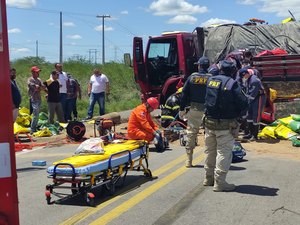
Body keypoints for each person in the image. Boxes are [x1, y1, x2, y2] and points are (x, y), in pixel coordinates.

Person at [203, 60, 248, 192]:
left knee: (210, 151)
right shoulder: (232, 83)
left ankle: (208, 178)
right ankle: (220, 183)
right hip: (225, 125)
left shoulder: (211, 80)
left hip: (209, 123)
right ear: (233, 71)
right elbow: (243, 103)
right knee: (223, 152)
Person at [179, 56, 211, 167]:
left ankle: (189, 160)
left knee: (191, 133)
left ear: (199, 66)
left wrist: (182, 109)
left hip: (194, 109)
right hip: (208, 111)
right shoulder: (212, 78)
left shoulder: (192, 78)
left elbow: (184, 94)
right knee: (209, 135)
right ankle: (209, 161)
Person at [237, 68, 266, 141]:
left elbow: (252, 95)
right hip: (252, 98)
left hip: (258, 98)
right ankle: (250, 133)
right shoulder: (248, 79)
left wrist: (246, 102)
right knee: (249, 115)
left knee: (256, 115)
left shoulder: (254, 80)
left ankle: (255, 135)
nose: (243, 78)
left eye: (243, 76)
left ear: (246, 74)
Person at [27, 66, 45, 133]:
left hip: (38, 98)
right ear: (33, 72)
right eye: (36, 72)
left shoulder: (39, 79)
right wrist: (38, 87)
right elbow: (33, 87)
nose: (38, 73)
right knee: (35, 114)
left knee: (36, 114)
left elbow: (43, 87)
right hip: (33, 99)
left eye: (38, 72)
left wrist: (39, 87)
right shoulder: (30, 79)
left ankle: (34, 127)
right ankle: (32, 129)